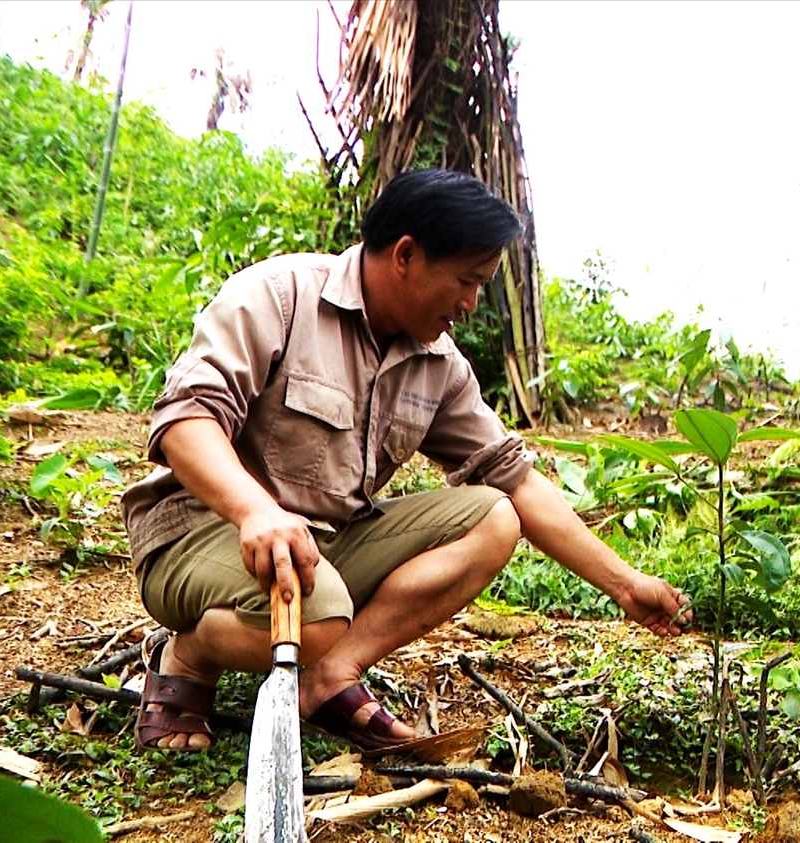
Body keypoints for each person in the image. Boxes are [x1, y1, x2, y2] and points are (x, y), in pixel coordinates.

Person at [122, 169, 688, 754]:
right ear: (407, 255)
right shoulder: (280, 296)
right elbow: (185, 422)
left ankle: (328, 675)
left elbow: (515, 480)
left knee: (494, 517)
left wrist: (624, 584)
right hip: (201, 531)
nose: (470, 305)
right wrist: (254, 512)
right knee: (317, 612)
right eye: (467, 282)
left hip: (322, 547)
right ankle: (190, 654)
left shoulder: (438, 366)